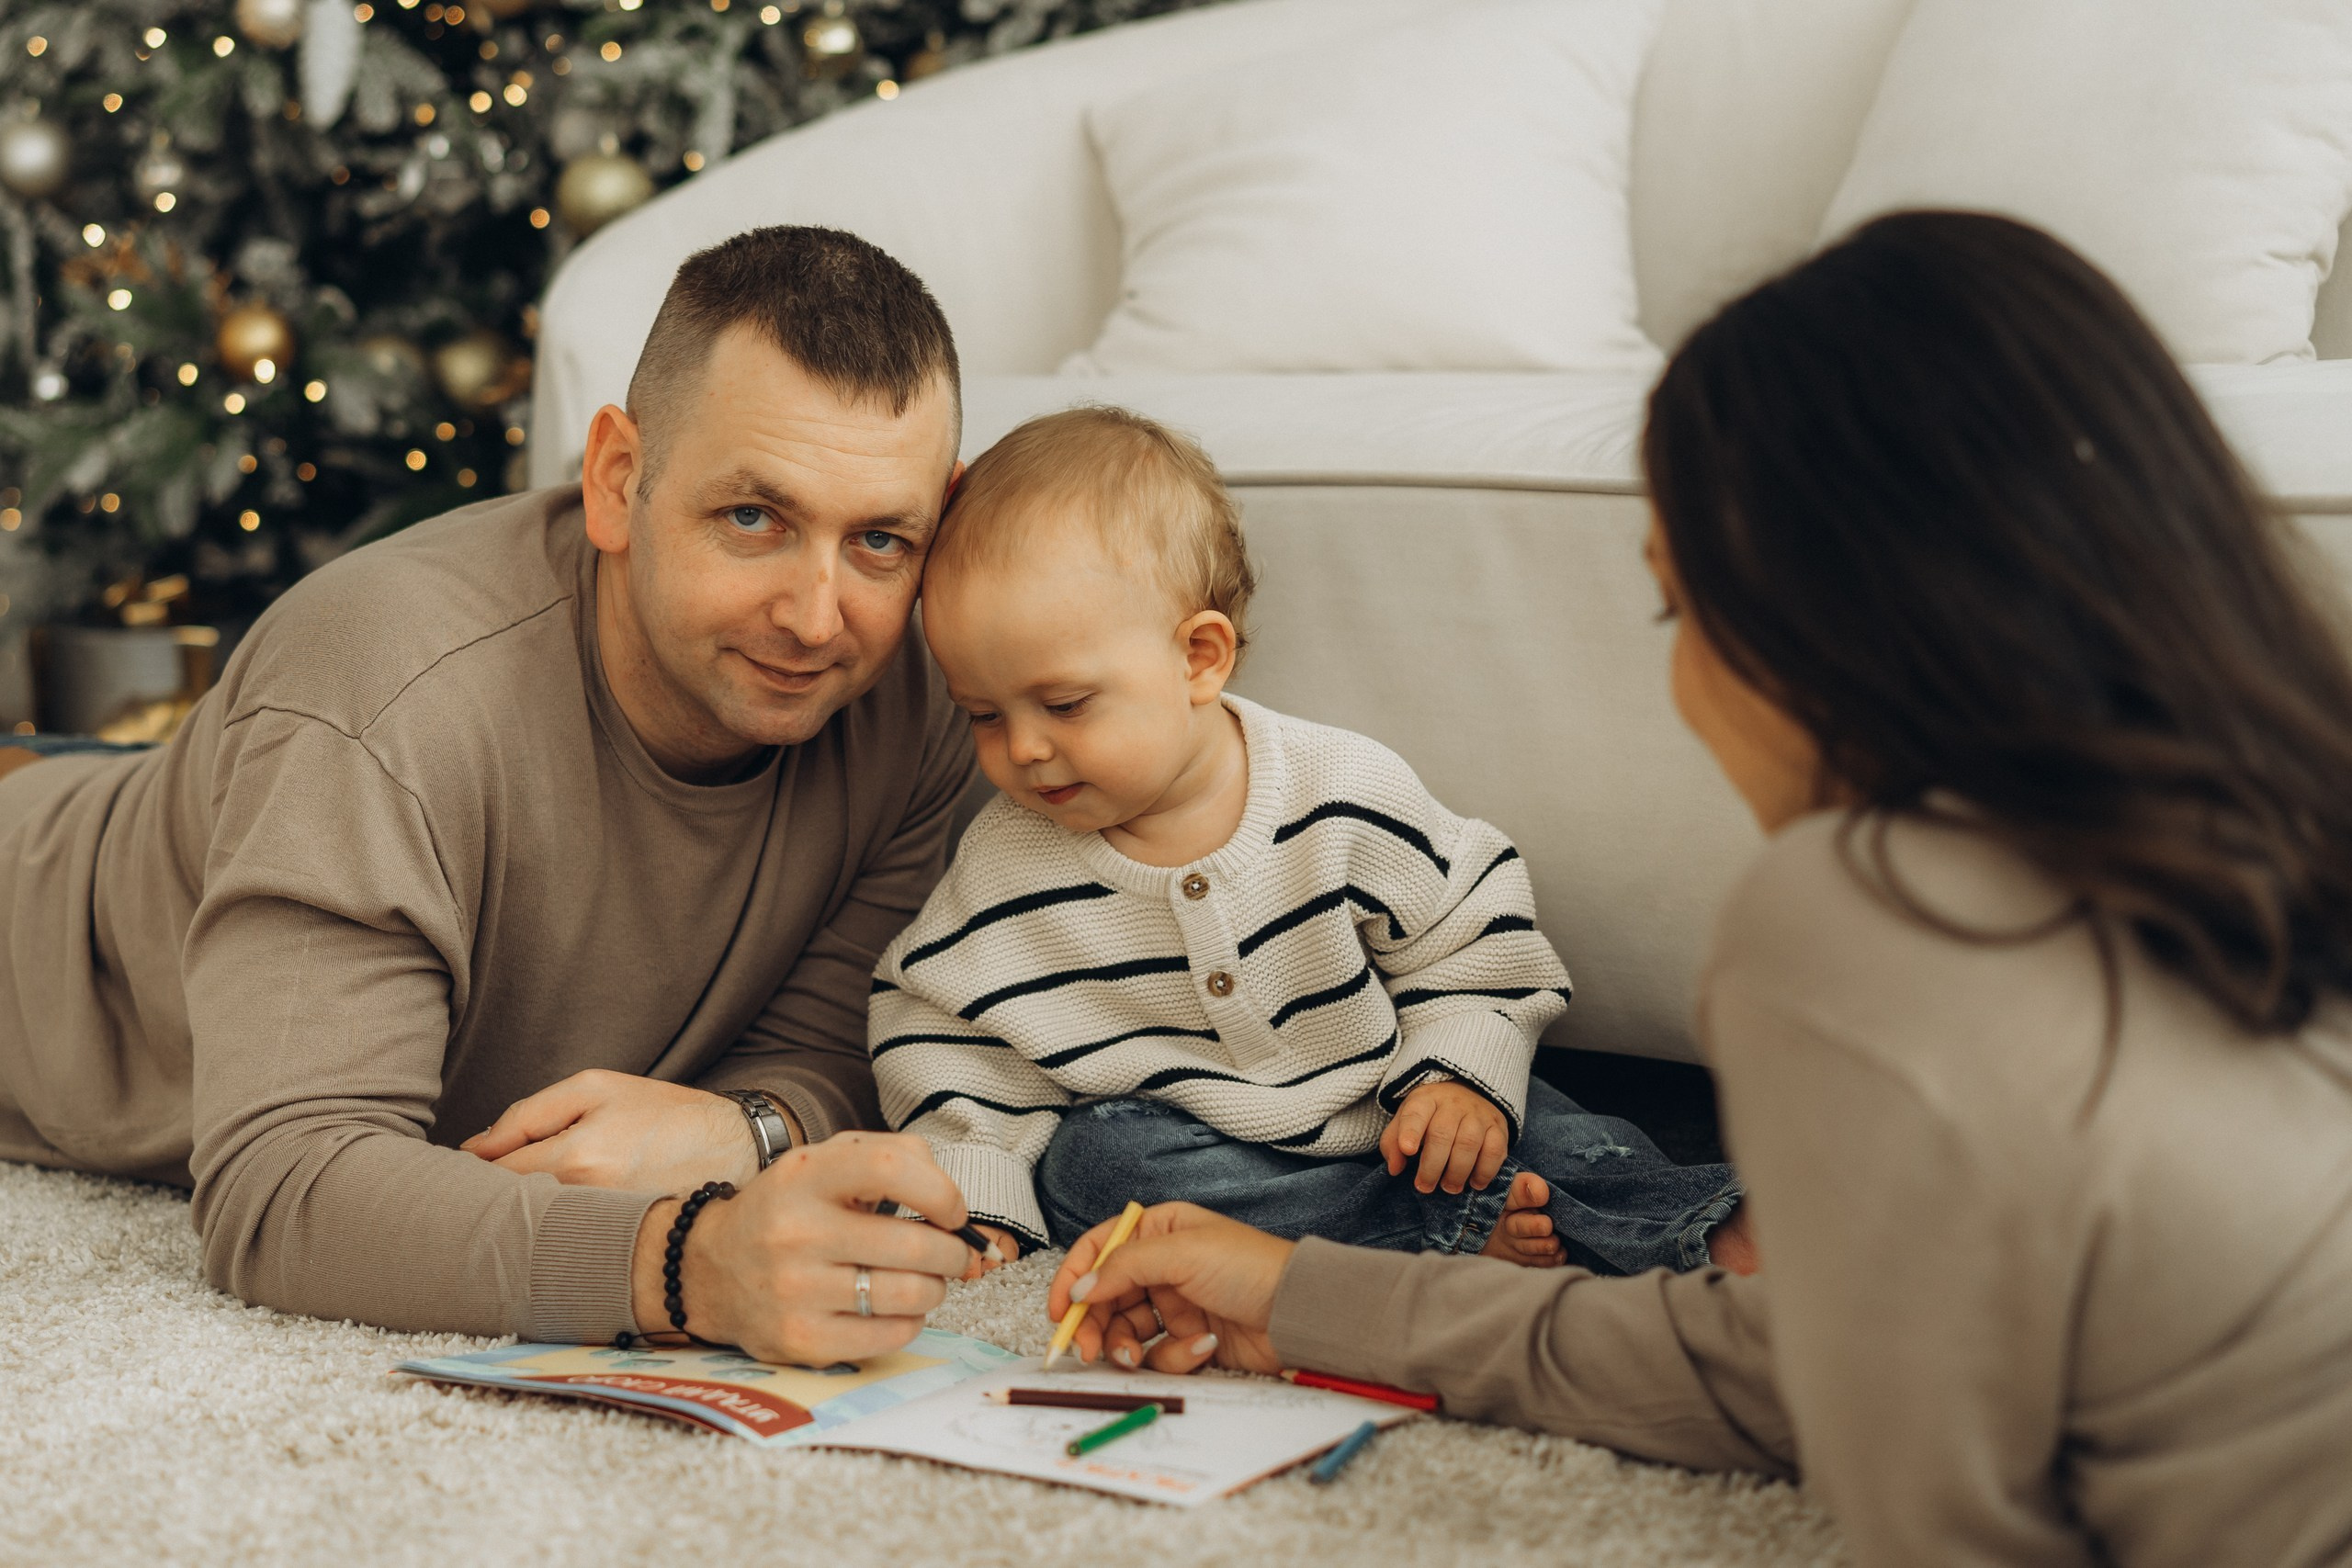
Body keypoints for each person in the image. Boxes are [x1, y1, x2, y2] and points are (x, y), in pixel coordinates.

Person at [1040, 212, 2352, 1567]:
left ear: (1822, 613)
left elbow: (1943, 1514)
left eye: (1680, 610)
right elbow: (1805, 1360)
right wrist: (1305, 1297)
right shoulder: (2285, 807)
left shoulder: (1858, 910)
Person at [0, 225, 990, 1366]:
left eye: (878, 537)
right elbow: (281, 1190)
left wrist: (745, 1127)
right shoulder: (377, 687)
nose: (819, 618)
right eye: (753, 518)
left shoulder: (923, 695)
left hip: (213, 798)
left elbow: (841, 1043)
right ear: (619, 481)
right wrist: (688, 1261)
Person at [868, 406, 1748, 1277]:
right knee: (1093, 1169)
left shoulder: (1339, 790)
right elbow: (942, 1031)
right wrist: (974, 1186)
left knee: (1569, 1133)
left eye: (1063, 704)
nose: (1022, 748)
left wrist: (1459, 1071)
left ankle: (1713, 1230)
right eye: (983, 713)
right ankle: (1441, 1237)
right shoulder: (1005, 864)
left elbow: (1472, 933)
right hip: (1211, 1155)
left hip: (1395, 1097)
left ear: (1199, 658)